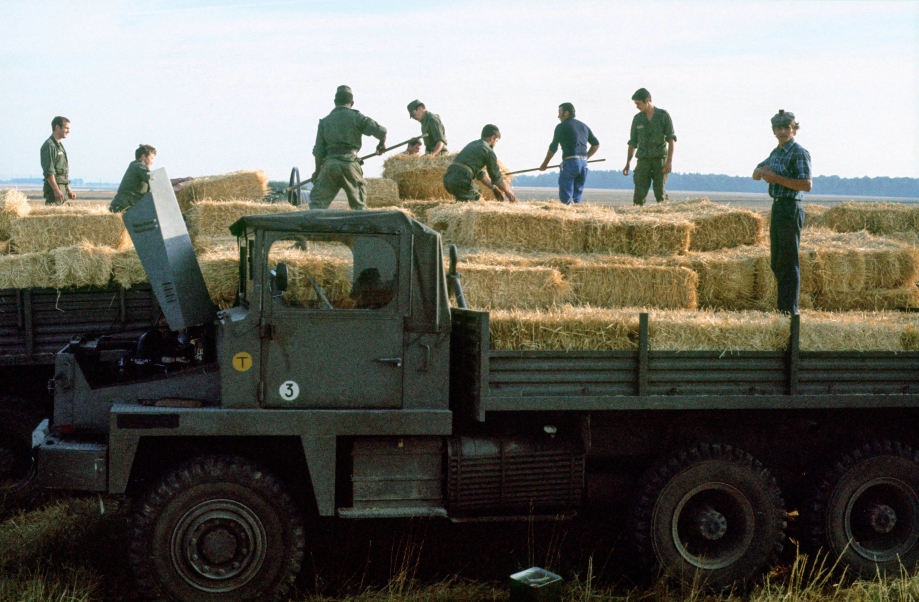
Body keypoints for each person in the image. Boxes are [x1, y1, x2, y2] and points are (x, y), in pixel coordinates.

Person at [753, 109, 812, 315]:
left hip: (791, 207)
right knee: (777, 260)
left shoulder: (799, 153)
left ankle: (789, 312)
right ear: (774, 131)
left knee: (788, 261)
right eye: (778, 128)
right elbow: (755, 174)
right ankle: (782, 309)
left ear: (794, 129)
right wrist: (761, 171)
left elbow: (806, 184)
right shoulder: (776, 153)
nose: (783, 131)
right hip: (778, 207)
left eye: (787, 127)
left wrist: (775, 177)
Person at [309, 85, 387, 210]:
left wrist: (318, 172)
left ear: (335, 102)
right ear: (352, 103)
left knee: (316, 207)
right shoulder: (357, 117)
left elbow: (318, 151)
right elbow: (381, 131)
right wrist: (381, 143)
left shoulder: (324, 122)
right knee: (359, 208)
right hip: (350, 165)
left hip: (330, 166)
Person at [538, 102, 600, 205]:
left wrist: (545, 164)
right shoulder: (583, 126)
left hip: (570, 163)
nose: (558, 116)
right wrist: (585, 158)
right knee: (577, 198)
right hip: (584, 165)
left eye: (559, 113)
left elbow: (553, 147)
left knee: (566, 198)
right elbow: (596, 144)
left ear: (566, 113)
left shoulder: (561, 126)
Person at [623, 88, 676, 205]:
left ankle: (665, 219)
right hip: (643, 160)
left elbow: (671, 139)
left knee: (660, 192)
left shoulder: (663, 115)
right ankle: (637, 219)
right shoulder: (637, 119)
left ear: (647, 100)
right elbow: (632, 142)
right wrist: (628, 163)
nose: (637, 106)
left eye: (638, 103)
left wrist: (669, 161)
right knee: (639, 194)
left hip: (660, 159)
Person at [442, 124, 516, 203]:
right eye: (496, 141)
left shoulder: (472, 145)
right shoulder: (488, 150)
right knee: (475, 195)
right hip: (462, 179)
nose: (495, 144)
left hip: (448, 178)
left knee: (473, 192)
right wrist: (507, 191)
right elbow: (496, 176)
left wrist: (494, 189)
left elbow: (481, 174)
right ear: (492, 138)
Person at [109, 145, 156, 213]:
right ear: (143, 156)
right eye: (151, 158)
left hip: (123, 205)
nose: (152, 162)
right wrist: (174, 183)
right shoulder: (139, 166)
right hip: (124, 207)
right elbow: (155, 179)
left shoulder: (135, 165)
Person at [40, 116, 76, 205]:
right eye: (66, 128)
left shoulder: (59, 145)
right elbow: (49, 172)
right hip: (55, 190)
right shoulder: (49, 146)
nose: (68, 131)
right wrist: (56, 190)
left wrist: (68, 189)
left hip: (62, 188)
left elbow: (62, 174)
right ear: (57, 127)